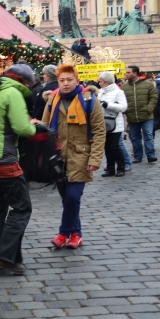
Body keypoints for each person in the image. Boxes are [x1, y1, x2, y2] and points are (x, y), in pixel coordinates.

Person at [0, 64, 42, 275]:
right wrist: (34, 126)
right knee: (22, 208)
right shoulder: (11, 93)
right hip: (3, 158)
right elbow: (22, 128)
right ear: (23, 81)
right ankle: (5, 256)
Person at [43, 64, 105, 249]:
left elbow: (99, 131)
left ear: (77, 80)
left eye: (69, 79)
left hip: (81, 156)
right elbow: (45, 128)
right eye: (62, 80)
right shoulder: (52, 99)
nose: (65, 83)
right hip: (58, 157)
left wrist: (95, 159)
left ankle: (63, 234)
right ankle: (76, 234)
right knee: (66, 198)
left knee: (72, 197)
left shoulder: (89, 100)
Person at [121, 65, 158, 164]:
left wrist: (149, 108)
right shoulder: (124, 87)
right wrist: (126, 110)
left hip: (146, 115)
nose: (126, 74)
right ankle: (138, 156)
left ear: (135, 73)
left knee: (148, 135)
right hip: (132, 116)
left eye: (128, 72)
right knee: (135, 137)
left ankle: (151, 155)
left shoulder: (147, 84)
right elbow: (122, 100)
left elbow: (154, 97)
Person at [96, 72, 128, 178]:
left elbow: (123, 107)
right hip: (103, 122)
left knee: (115, 146)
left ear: (106, 82)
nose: (99, 83)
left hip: (115, 123)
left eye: (100, 81)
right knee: (107, 147)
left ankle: (121, 167)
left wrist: (108, 105)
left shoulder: (118, 92)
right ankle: (110, 168)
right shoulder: (101, 92)